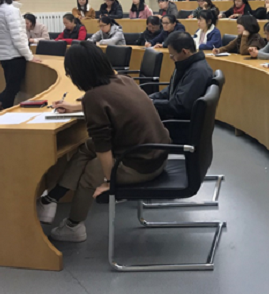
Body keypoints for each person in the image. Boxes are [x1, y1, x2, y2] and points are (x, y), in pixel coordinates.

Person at [35, 42, 171, 242]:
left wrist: (109, 181)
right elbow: (109, 104)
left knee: (91, 171)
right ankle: (51, 198)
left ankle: (74, 226)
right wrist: (76, 107)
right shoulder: (124, 80)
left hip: (142, 165)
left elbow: (103, 146)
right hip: (156, 153)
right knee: (86, 148)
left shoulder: (94, 97)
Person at [0, 0, 41, 114]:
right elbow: (18, 37)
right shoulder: (11, 11)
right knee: (12, 88)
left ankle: (2, 112)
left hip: (4, 55)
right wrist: (29, 56)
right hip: (14, 56)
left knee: (10, 87)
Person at [149, 32, 213, 122]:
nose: (171, 58)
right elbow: (171, 90)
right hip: (174, 115)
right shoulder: (187, 64)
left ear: (184, 51)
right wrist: (149, 98)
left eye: (172, 55)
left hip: (178, 122)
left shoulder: (198, 72)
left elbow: (180, 106)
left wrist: (152, 103)